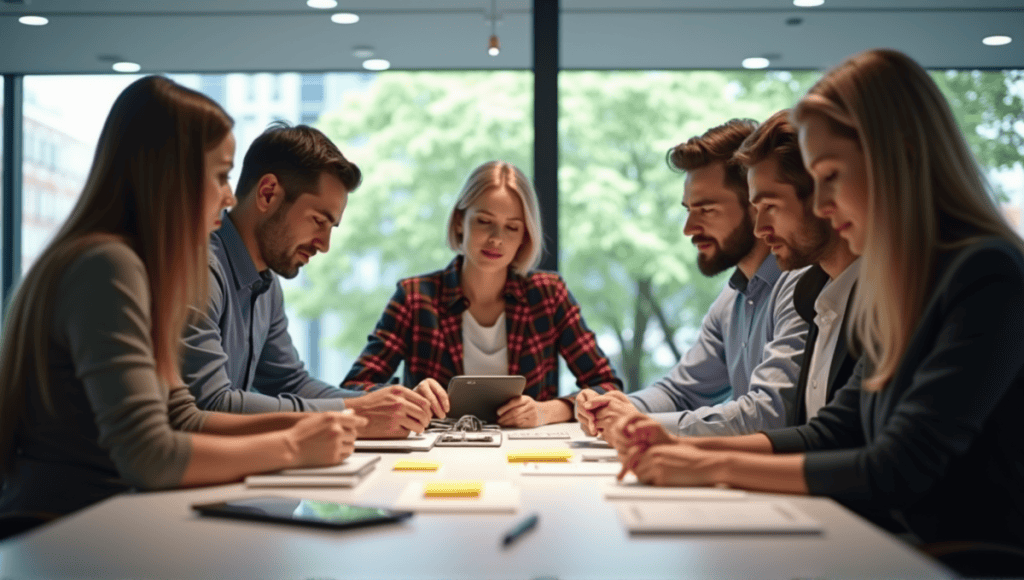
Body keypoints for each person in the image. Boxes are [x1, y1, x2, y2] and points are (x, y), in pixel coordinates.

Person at [613, 48, 1024, 549]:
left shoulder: (988, 273)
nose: (824, 206)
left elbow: (899, 467)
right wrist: (676, 444)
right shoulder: (905, 283)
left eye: (830, 177)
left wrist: (709, 462)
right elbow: (833, 431)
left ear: (897, 157)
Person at [0, 76, 365, 519]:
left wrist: (331, 422)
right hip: (69, 535)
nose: (230, 196)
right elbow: (149, 454)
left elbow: (185, 417)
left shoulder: (136, 265)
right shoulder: (106, 266)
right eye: (220, 176)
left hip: (116, 524)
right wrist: (293, 445)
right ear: (168, 176)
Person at [181, 123, 433, 439]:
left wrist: (382, 404)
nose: (324, 244)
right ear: (267, 193)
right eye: (318, 220)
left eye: (331, 227)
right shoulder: (199, 272)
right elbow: (208, 405)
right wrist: (353, 413)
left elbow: (290, 382)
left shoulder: (266, 283)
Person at [343, 161, 623, 427]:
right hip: (436, 455)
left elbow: (607, 386)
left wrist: (547, 410)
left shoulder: (549, 295)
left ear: (525, 236)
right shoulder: (415, 297)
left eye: (512, 227)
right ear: (458, 222)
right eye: (484, 221)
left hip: (528, 455)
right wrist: (409, 398)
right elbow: (354, 389)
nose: (496, 239)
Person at [576, 120, 809, 437]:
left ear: (754, 204)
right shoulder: (732, 299)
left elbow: (770, 413)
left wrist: (638, 423)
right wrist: (612, 407)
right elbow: (679, 392)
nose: (688, 228)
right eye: (688, 209)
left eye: (707, 209)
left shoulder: (801, 285)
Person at [736, 109, 859, 424]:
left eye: (771, 207)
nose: (759, 230)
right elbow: (818, 439)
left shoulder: (886, 299)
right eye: (756, 209)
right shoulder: (812, 295)